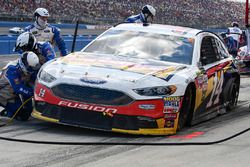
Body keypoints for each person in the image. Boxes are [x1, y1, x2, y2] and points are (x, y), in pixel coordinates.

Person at [0, 52, 41, 120]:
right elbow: (18, 88)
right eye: (31, 67)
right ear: (25, 64)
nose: (32, 69)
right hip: (2, 94)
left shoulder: (27, 69)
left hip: (10, 95)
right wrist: (35, 94)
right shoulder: (12, 68)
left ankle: (7, 112)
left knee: (24, 115)